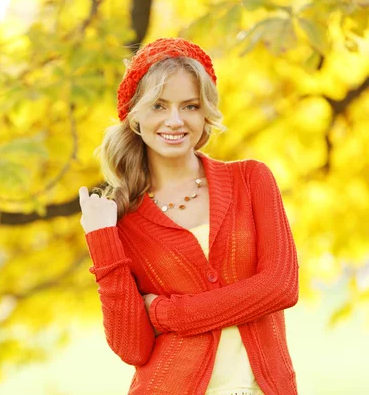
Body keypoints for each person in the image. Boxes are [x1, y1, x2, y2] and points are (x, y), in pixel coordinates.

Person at [78, 37, 299, 395]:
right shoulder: (123, 220)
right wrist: (102, 240)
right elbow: (132, 347)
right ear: (135, 116)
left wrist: (168, 315)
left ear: (206, 112)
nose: (175, 120)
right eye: (159, 106)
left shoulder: (251, 179)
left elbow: (280, 286)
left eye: (191, 106)